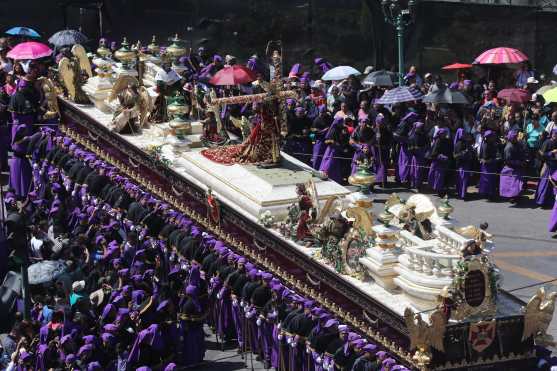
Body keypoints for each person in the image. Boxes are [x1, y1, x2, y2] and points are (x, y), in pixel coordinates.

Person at [499, 130, 526, 202]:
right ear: (511, 138)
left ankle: (516, 195)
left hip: (518, 166)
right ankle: (512, 196)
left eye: (516, 137)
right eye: (514, 137)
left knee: (517, 184)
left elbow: (521, 151)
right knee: (512, 184)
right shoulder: (508, 147)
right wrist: (518, 163)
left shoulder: (517, 144)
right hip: (511, 167)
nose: (515, 138)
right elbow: (508, 160)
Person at [535, 129, 557, 207]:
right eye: (554, 134)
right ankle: (541, 201)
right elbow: (541, 154)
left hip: (555, 166)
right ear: (551, 134)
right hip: (547, 166)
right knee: (544, 184)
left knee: (553, 185)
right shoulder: (547, 142)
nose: (555, 136)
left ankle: (550, 201)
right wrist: (552, 152)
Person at [427, 128, 451, 196]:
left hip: (443, 162)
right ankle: (439, 191)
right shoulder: (438, 141)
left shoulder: (445, 141)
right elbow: (434, 153)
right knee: (438, 177)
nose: (445, 135)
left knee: (440, 177)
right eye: (444, 134)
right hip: (437, 162)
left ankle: (440, 189)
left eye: (445, 133)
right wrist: (441, 156)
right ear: (440, 134)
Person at [478, 130, 501, 200]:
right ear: (488, 137)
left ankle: (490, 193)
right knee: (487, 181)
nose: (493, 137)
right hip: (487, 166)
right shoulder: (485, 144)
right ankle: (488, 194)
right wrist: (484, 160)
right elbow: (483, 157)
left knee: (491, 180)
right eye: (492, 136)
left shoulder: (492, 144)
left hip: (491, 165)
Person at [453, 129, 475, 200]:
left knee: (464, 180)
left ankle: (463, 193)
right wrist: (464, 152)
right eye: (462, 133)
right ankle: (462, 194)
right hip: (461, 164)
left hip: (466, 163)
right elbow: (457, 155)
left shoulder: (466, 142)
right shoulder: (459, 144)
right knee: (462, 179)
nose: (464, 134)